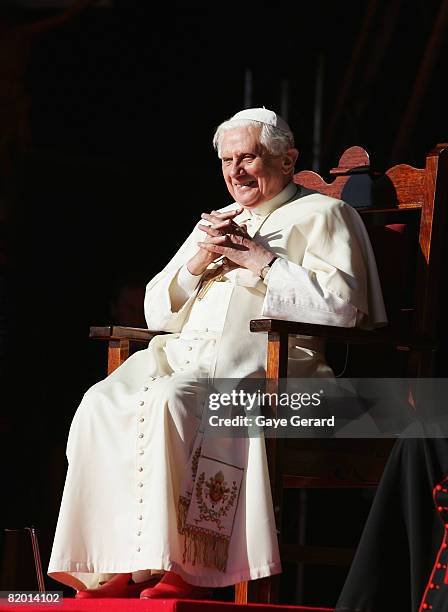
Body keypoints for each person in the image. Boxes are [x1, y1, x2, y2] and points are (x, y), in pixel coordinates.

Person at [48, 107, 387, 599]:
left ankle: (190, 569)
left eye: (248, 157)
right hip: (181, 358)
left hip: (277, 372)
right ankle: (115, 564)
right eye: (227, 160)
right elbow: (155, 314)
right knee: (100, 404)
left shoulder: (327, 215)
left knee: (177, 400)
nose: (235, 171)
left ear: (287, 159)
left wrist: (260, 259)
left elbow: (345, 310)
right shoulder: (220, 219)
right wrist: (200, 259)